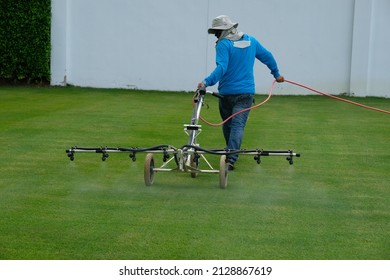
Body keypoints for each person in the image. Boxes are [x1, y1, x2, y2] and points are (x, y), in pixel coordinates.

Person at [198, 15, 284, 170]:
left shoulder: (223, 45)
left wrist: (206, 82)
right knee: (235, 125)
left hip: (226, 93)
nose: (216, 35)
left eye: (217, 32)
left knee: (230, 124)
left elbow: (222, 67)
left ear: (225, 30)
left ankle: (230, 157)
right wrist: (276, 74)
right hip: (245, 93)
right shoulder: (251, 41)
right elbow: (268, 56)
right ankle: (231, 155)